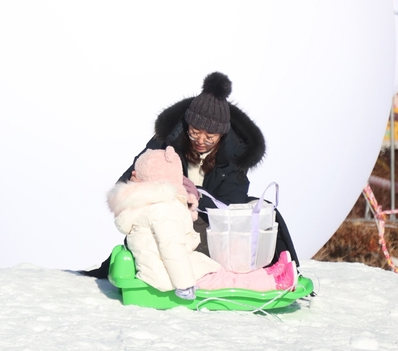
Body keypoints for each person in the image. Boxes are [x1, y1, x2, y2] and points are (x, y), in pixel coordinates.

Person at [119, 72, 299, 267]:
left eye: (210, 136)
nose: (201, 141)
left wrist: (195, 197)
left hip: (209, 223)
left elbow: (231, 203)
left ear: (222, 134)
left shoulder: (235, 154)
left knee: (266, 212)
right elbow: (125, 180)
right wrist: (135, 185)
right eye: (194, 133)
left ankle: (283, 270)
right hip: (167, 218)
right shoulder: (166, 142)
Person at [107, 145, 297, 297]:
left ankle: (270, 273)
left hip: (167, 267)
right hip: (172, 275)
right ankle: (275, 282)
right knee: (229, 280)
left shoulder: (145, 204)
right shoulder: (163, 209)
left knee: (223, 273)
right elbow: (172, 248)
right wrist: (184, 285)